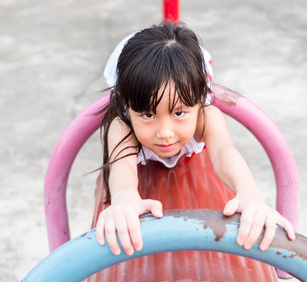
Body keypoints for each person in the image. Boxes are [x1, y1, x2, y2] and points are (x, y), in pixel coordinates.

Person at [96, 21, 295, 256]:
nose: (165, 132)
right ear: (127, 107)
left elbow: (223, 152)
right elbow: (123, 172)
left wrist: (250, 193)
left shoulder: (205, 115)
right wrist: (125, 199)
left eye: (178, 113)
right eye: (148, 115)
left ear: (199, 101)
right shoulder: (123, 125)